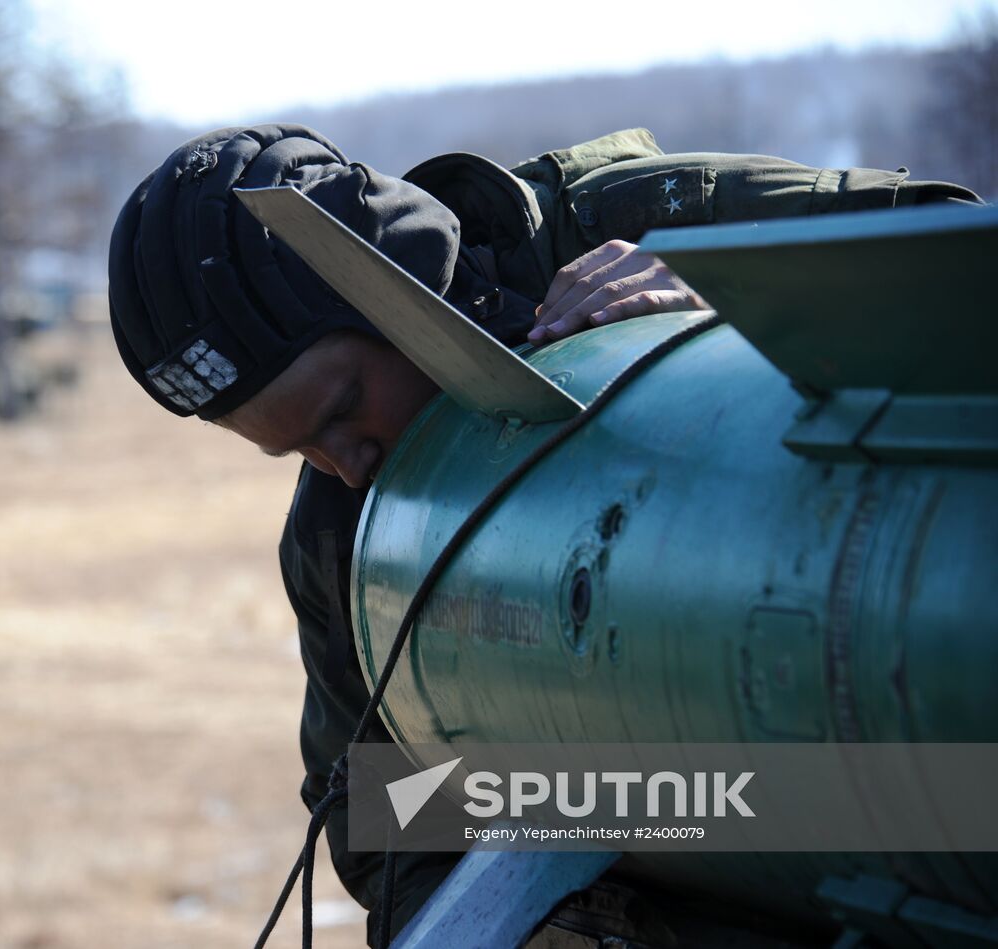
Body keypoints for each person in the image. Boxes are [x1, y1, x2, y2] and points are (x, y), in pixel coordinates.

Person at [107, 124, 980, 943]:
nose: (345, 463)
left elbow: (954, 248)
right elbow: (376, 812)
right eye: (293, 448)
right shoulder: (342, 534)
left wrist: (732, 303)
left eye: (341, 408)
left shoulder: (631, 221)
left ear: (390, 283)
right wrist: (601, 850)